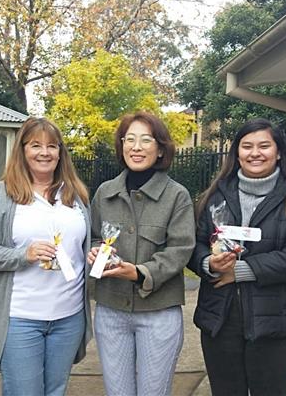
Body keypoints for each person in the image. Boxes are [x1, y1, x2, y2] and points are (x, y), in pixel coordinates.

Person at [187, 118, 286, 396]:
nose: (255, 153)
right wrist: (207, 264)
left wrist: (240, 271)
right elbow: (194, 245)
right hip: (220, 321)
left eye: (264, 146)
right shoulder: (214, 197)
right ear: (237, 152)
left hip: (275, 324)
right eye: (246, 146)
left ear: (279, 151)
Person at [0, 117, 92, 396]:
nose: (44, 152)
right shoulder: (2, 194)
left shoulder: (76, 195)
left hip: (69, 316)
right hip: (21, 318)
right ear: (22, 150)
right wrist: (22, 255)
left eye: (52, 146)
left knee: (55, 391)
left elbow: (89, 242)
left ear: (61, 152)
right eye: (35, 145)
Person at [86, 111, 195, 396]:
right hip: (111, 311)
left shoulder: (176, 195)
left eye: (146, 140)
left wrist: (138, 272)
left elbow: (181, 248)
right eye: (129, 139)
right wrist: (94, 252)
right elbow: (94, 236)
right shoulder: (105, 193)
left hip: (158, 313)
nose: (136, 147)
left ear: (160, 148)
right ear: (121, 146)